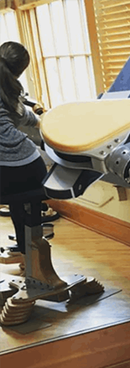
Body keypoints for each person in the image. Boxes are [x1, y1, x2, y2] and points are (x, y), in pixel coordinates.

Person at [0, 41, 47, 265]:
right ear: (20, 71)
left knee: (16, 201)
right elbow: (25, 116)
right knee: (27, 201)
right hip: (31, 167)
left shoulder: (9, 90)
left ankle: (28, 255)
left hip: (4, 173)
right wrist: (42, 122)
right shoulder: (12, 90)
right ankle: (31, 256)